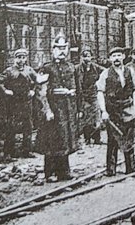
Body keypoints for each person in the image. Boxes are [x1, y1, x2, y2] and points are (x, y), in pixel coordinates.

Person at [36, 36, 79, 182]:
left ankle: (64, 172)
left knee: (65, 140)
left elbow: (77, 88)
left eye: (64, 48)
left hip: (67, 109)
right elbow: (41, 91)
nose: (62, 51)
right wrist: (47, 110)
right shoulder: (46, 68)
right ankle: (50, 173)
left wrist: (78, 108)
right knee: (51, 141)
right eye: (58, 48)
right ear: (53, 50)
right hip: (53, 110)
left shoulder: (71, 66)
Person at [96, 47, 135, 177]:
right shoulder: (105, 74)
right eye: (113, 56)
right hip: (113, 110)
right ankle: (111, 169)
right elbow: (100, 92)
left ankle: (131, 167)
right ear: (110, 59)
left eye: (119, 55)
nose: (116, 58)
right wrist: (103, 111)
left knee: (129, 138)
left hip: (128, 108)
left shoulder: (129, 71)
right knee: (113, 140)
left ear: (123, 57)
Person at [0, 48, 37, 157]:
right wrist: (5, 90)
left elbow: (38, 81)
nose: (21, 60)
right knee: (11, 126)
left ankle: (27, 151)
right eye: (18, 58)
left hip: (26, 101)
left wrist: (33, 90)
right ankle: (9, 152)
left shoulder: (29, 70)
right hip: (13, 103)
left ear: (26, 59)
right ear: (15, 59)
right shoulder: (9, 71)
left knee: (28, 126)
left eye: (23, 58)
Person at [75, 49, 104, 144]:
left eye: (88, 56)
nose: (87, 58)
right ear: (81, 58)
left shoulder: (96, 68)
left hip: (94, 95)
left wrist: (99, 84)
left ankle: (97, 138)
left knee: (96, 117)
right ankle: (87, 138)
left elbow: (105, 72)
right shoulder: (77, 69)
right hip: (83, 96)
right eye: (84, 56)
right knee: (86, 117)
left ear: (91, 57)